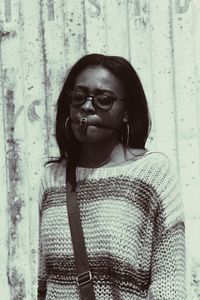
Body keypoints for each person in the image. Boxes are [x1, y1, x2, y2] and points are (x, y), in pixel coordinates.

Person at [37, 54, 185, 299]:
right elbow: (45, 282)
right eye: (78, 97)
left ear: (126, 112)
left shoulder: (151, 174)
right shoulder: (52, 178)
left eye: (104, 100)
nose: (86, 106)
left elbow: (169, 284)